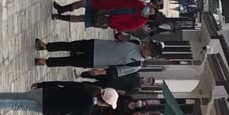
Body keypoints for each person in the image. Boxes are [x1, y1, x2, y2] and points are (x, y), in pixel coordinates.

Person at [33, 38, 165, 77]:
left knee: (70, 61)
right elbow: (120, 36)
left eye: (149, 47)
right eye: (148, 43)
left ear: (149, 54)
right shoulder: (136, 41)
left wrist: (100, 72)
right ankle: (47, 46)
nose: (146, 44)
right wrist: (120, 36)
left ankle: (45, 62)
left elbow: (117, 71)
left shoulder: (136, 65)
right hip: (98, 45)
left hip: (97, 60)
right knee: (71, 45)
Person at [51, 0, 158, 32]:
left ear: (149, 17)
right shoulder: (140, 5)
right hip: (107, 5)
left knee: (82, 18)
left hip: (108, 19)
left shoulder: (139, 22)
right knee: (84, 3)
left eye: (149, 11)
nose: (147, 9)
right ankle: (62, 9)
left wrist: (112, 23)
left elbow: (124, 27)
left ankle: (58, 17)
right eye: (149, 8)